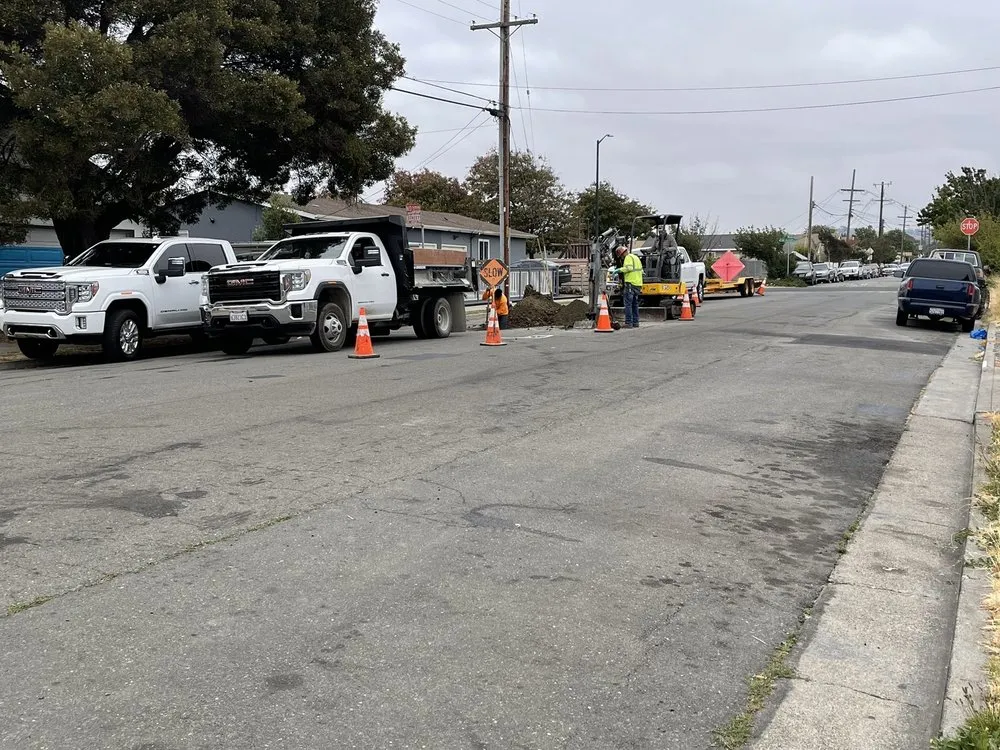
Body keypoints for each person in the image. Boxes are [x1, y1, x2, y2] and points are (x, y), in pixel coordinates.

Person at [611, 245, 643, 328]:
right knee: (635, 304)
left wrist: (619, 270)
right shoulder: (636, 257)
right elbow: (641, 271)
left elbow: (628, 268)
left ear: (622, 254)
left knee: (628, 304)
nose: (621, 258)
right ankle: (636, 322)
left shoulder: (628, 258)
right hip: (638, 283)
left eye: (621, 256)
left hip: (630, 283)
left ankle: (628, 322)